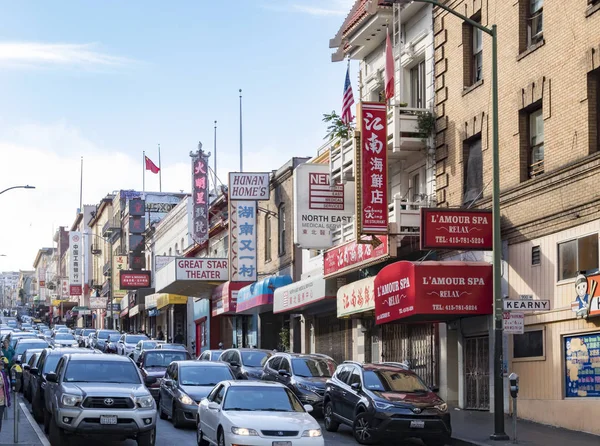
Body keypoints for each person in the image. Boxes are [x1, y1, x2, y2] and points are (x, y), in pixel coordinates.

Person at [0, 356, 11, 432]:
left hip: (1, 401)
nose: (1, 366)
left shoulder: (2, 373)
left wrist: (8, 400)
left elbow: (6, 387)